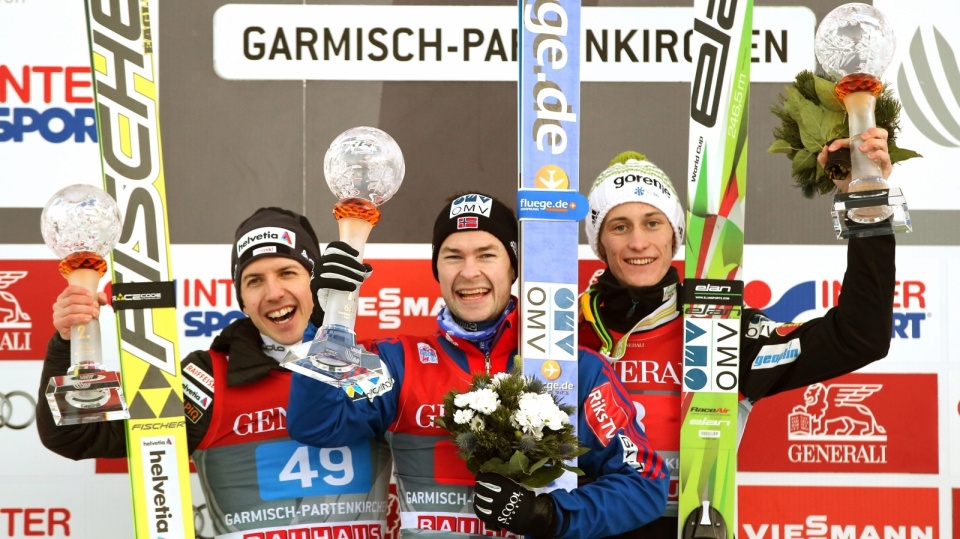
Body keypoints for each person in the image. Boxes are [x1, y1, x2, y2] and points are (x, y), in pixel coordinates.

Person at [287, 193, 670, 538]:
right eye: (453, 256)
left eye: (487, 254)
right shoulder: (397, 363)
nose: (469, 273)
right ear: (436, 270)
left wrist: (548, 515)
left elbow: (644, 485)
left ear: (514, 268)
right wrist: (325, 321)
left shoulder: (573, 369)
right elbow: (317, 424)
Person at [578, 128, 896, 535]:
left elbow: (860, 337)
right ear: (600, 244)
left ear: (676, 236)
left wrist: (864, 199)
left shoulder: (722, 330)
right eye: (619, 226)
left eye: (653, 223)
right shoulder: (563, 332)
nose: (638, 241)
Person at [35, 207, 393, 538]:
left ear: (316, 283)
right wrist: (68, 342)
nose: (273, 292)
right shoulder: (207, 379)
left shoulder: (371, 366)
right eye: (254, 280)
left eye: (288, 273)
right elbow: (75, 436)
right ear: (241, 299)